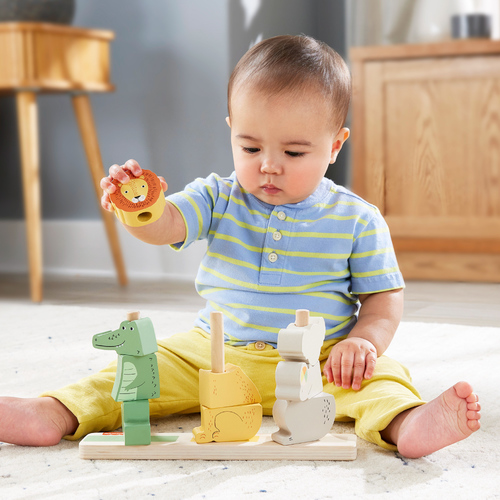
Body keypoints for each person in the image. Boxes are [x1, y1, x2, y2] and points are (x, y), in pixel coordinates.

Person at [0, 35, 480, 459]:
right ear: (231, 128)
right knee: (136, 369)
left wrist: (363, 342)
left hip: (321, 357)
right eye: (250, 148)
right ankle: (56, 412)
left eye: (293, 153)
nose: (269, 165)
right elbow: (166, 224)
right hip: (213, 352)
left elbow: (383, 299)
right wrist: (139, 206)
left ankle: (407, 424)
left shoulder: (358, 219)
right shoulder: (218, 195)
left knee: (383, 379)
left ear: (335, 145)